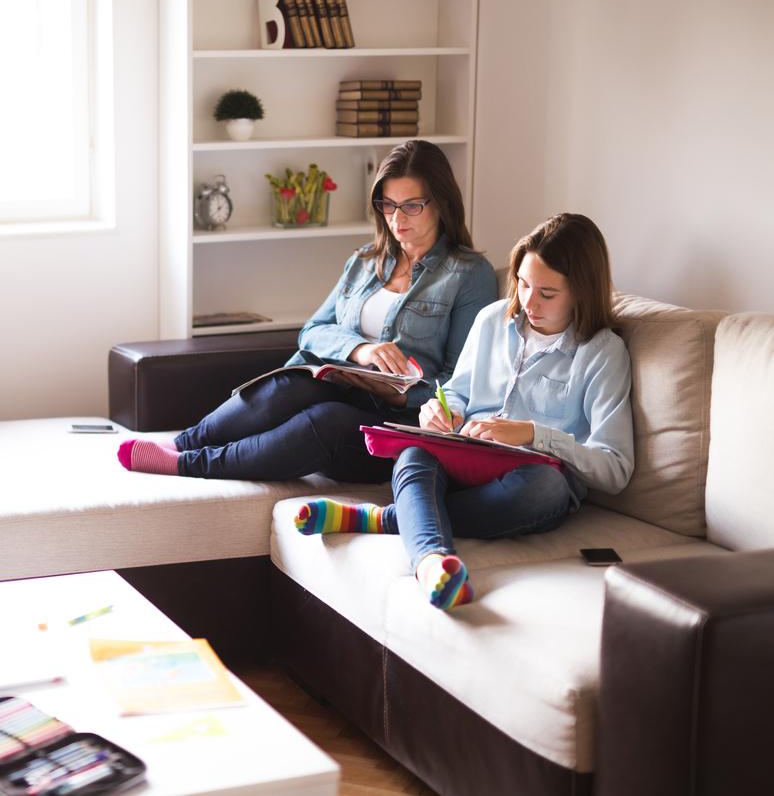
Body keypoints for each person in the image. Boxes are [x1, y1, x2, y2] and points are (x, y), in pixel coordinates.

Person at [294, 213, 634, 610]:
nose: (529, 302)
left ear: (582, 291)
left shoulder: (603, 353)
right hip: (464, 455)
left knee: (546, 489)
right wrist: (442, 412)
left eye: (547, 293)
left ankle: (390, 522)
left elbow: (615, 470)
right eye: (523, 284)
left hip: (534, 473)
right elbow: (455, 391)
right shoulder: (493, 319)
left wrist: (532, 435)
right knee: (414, 452)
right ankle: (432, 561)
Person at [119, 139, 498, 481]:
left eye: (412, 206)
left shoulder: (469, 274)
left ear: (443, 202)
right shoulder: (366, 261)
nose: (397, 220)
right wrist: (359, 351)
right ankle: (184, 443)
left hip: (397, 421)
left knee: (325, 420)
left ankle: (190, 464)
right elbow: (313, 330)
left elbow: (460, 381)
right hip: (344, 384)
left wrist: (402, 395)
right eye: (388, 205)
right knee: (293, 382)